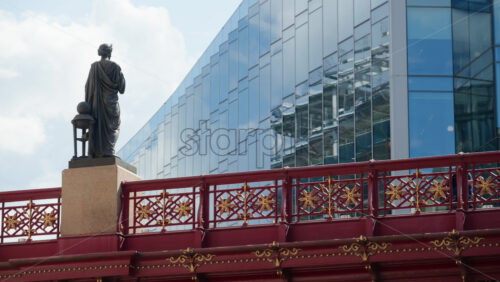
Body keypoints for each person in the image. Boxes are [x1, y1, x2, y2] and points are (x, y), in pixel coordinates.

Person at [85, 43, 126, 157]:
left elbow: (88, 87)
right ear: (110, 53)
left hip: (96, 104)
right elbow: (122, 89)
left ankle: (97, 152)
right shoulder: (115, 67)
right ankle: (109, 151)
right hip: (111, 103)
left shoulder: (94, 67)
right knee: (114, 127)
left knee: (98, 126)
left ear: (99, 52)